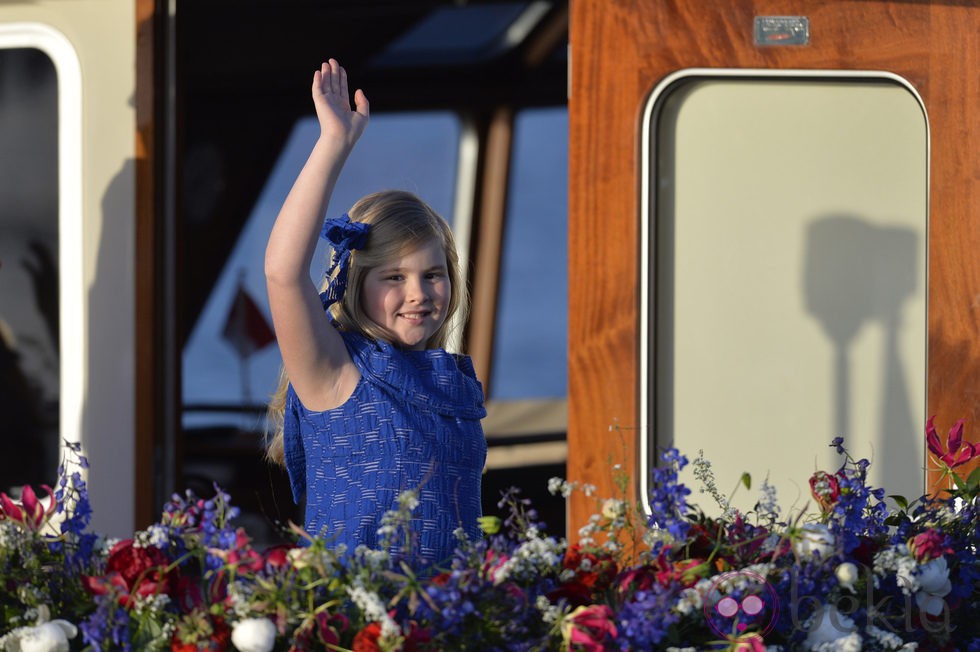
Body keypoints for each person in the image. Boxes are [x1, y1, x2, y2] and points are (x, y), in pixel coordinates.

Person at [264, 59, 487, 566]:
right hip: (356, 634)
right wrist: (333, 143)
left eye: (433, 274)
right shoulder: (334, 371)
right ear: (355, 284)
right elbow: (281, 272)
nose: (419, 293)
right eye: (394, 277)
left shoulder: (451, 381)